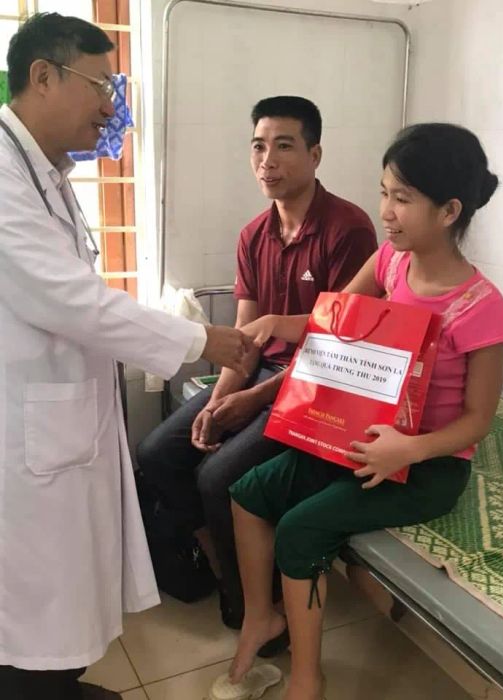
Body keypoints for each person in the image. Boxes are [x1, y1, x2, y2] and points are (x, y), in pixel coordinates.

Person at [0, 13, 249, 700]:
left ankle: (54, 684)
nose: (110, 107)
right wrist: (203, 340)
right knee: (36, 598)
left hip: (58, 418)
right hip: (25, 435)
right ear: (42, 77)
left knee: (64, 588)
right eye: (99, 85)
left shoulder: (44, 172)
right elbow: (68, 298)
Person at [227, 123, 503, 700]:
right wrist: (275, 324)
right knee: (248, 493)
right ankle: (261, 618)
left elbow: (478, 420)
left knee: (299, 530)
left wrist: (409, 448)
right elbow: (331, 318)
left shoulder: (481, 309)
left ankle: (308, 680)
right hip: (364, 440)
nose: (385, 211)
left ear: (449, 211)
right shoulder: (389, 262)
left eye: (402, 199)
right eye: (384, 192)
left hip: (429, 464)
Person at [137, 96, 377, 629]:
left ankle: (257, 607)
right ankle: (224, 564)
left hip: (322, 383)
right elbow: (242, 342)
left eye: (284, 146)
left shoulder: (348, 229)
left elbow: (340, 344)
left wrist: (251, 400)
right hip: (265, 376)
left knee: (218, 476)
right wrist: (218, 402)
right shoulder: (253, 235)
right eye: (258, 147)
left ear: (315, 154)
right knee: (157, 453)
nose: (267, 160)